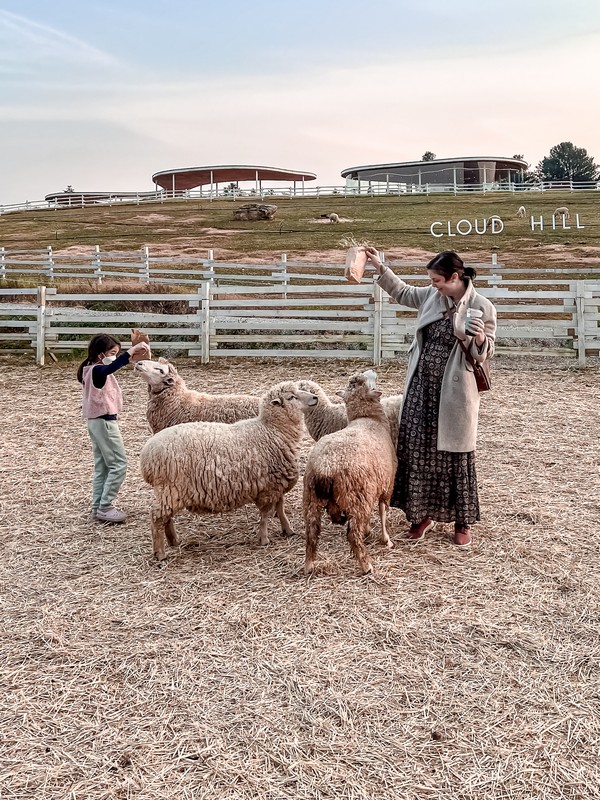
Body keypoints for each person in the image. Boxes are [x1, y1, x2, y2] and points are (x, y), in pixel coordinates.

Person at [365, 248, 497, 547]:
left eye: (437, 280)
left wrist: (476, 339)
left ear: (454, 277)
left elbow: (484, 354)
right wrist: (379, 266)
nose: (433, 284)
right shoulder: (431, 296)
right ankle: (422, 515)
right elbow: (403, 292)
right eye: (431, 280)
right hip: (421, 385)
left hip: (455, 391)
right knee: (418, 450)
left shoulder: (481, 306)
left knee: (455, 454)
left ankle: (462, 522)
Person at [76, 334, 149, 522]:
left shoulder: (89, 369)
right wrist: (130, 352)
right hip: (104, 422)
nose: (115, 357)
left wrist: (132, 355)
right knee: (119, 464)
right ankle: (106, 506)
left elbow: (111, 367)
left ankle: (97, 506)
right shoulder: (98, 371)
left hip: (95, 423)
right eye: (112, 353)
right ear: (101, 354)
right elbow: (111, 367)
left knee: (103, 466)